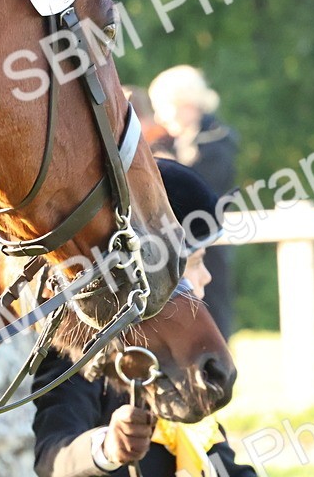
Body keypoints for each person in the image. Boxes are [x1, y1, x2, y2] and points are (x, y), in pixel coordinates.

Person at [32, 160, 256, 477]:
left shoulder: (186, 352)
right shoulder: (79, 359)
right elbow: (51, 457)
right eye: (196, 262)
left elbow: (219, 462)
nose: (206, 276)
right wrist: (108, 447)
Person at [147, 66, 239, 338]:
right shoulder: (169, 139)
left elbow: (202, 185)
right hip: (171, 245)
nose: (160, 116)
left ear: (187, 105)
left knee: (213, 313)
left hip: (206, 243)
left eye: (166, 107)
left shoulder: (218, 141)